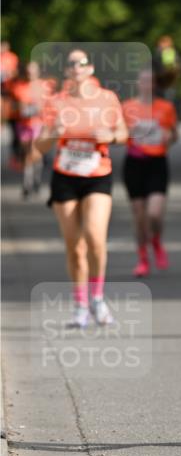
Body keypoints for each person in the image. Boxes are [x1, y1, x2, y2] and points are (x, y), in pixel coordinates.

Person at [35, 49, 127, 327]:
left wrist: (109, 135)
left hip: (97, 174)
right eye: (71, 63)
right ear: (67, 71)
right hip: (65, 176)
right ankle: (80, 304)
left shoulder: (106, 98)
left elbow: (123, 133)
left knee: (95, 238)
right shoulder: (57, 102)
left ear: (90, 70)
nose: (77, 67)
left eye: (82, 62)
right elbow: (38, 146)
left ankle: (97, 298)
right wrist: (53, 132)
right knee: (74, 247)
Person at [122, 68, 178, 276]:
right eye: (143, 80)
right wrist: (127, 133)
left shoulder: (166, 107)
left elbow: (174, 135)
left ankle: (156, 241)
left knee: (154, 214)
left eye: (150, 81)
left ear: (155, 85)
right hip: (134, 164)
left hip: (157, 164)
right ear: (137, 83)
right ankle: (143, 258)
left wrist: (168, 138)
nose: (146, 84)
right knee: (139, 216)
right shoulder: (127, 107)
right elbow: (117, 135)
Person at [12, 60, 48, 197]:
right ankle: (31, 181)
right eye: (28, 70)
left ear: (38, 71)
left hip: (38, 124)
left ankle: (30, 183)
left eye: (33, 70)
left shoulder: (43, 86)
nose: (30, 73)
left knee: (33, 153)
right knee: (26, 154)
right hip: (23, 124)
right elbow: (19, 108)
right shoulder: (20, 86)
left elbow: (46, 106)